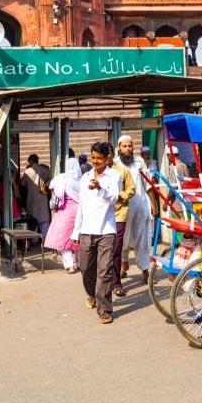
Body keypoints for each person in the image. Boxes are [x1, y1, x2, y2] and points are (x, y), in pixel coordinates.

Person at [70, 142, 121, 325]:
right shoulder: (85, 177)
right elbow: (81, 206)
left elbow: (114, 198)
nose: (96, 161)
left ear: (107, 158)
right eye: (93, 158)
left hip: (106, 230)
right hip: (86, 230)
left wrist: (100, 187)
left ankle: (104, 310)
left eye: (99, 158)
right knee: (85, 269)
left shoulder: (114, 176)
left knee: (104, 271)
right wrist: (75, 232)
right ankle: (92, 294)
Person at [113, 134, 157, 292]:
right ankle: (123, 264)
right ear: (119, 148)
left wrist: (153, 203)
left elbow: (148, 184)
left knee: (142, 239)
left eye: (130, 146)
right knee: (122, 239)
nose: (128, 149)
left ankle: (145, 270)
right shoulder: (114, 164)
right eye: (124, 146)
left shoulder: (139, 162)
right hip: (122, 208)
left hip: (141, 206)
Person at [45, 158, 82, 273]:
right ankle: (80, 263)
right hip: (80, 213)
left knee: (64, 240)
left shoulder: (61, 180)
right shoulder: (82, 181)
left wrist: (52, 205)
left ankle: (69, 265)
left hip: (64, 213)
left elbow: (55, 197)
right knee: (79, 239)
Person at [19, 154, 52, 236]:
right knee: (44, 223)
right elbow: (51, 179)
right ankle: (46, 240)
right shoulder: (45, 170)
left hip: (31, 200)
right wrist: (45, 186)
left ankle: (34, 240)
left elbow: (23, 184)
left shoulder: (27, 172)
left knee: (33, 224)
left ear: (31, 161)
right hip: (42, 199)